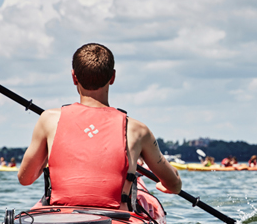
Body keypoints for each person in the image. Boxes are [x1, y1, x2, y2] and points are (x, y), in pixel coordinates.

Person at [18, 43, 181, 210]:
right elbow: (174, 185)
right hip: (118, 223)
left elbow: (25, 178)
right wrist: (168, 182)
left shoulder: (49, 120)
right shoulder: (137, 129)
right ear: (112, 77)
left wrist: (50, 151)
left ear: (74, 77)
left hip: (61, 218)